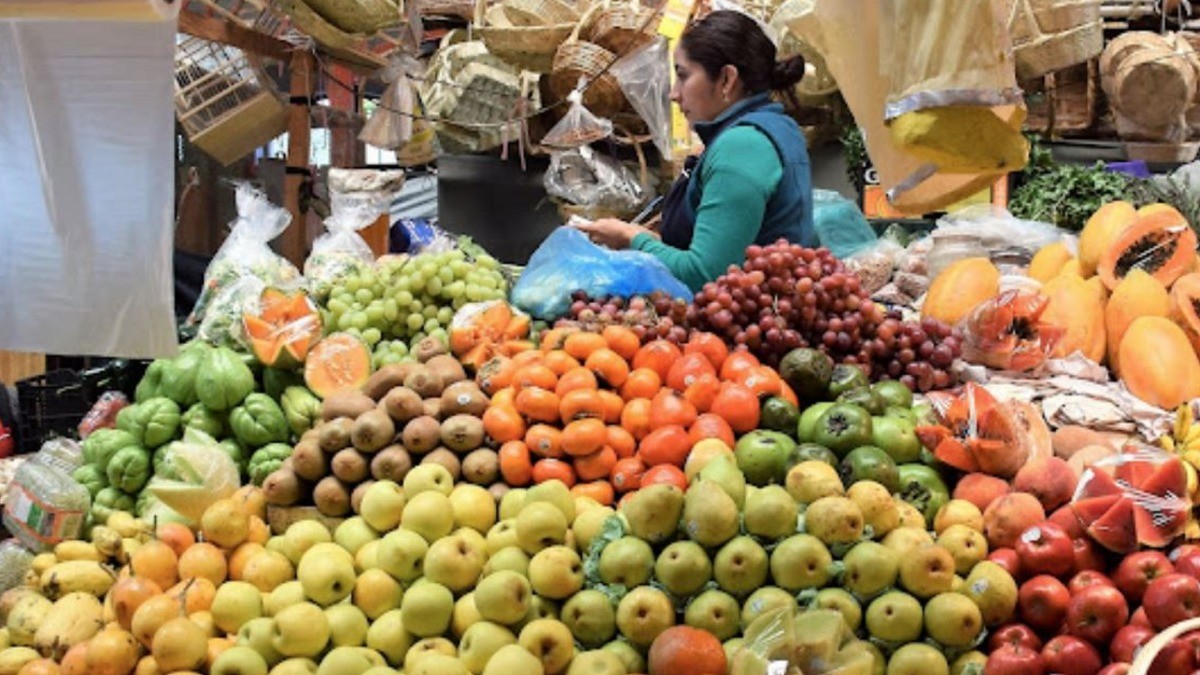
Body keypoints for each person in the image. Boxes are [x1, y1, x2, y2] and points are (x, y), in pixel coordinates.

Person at [573, 9, 815, 291]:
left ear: (726, 79)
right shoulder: (778, 126)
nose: (674, 94)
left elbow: (705, 275)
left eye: (683, 76)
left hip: (742, 327)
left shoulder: (742, 146)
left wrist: (630, 238)